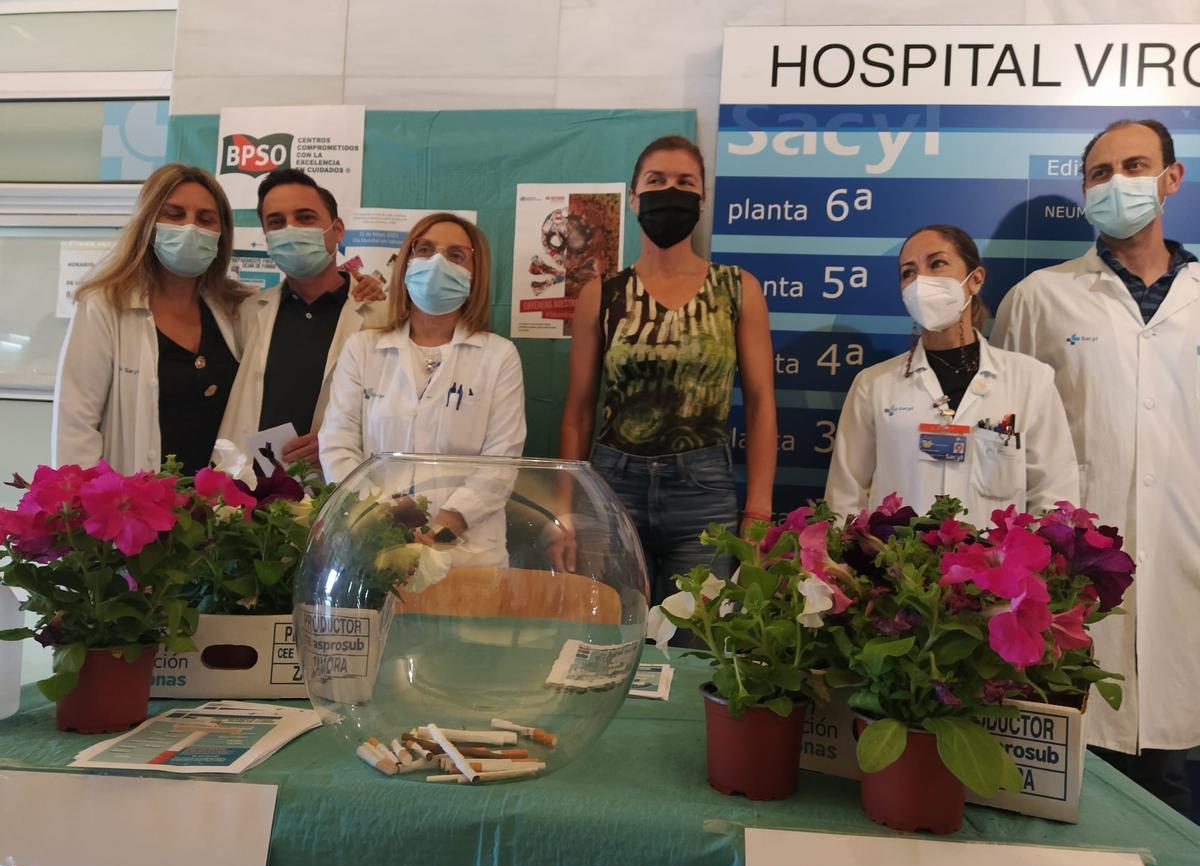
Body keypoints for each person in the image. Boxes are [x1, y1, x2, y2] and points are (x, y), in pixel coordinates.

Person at [992, 119, 1198, 815]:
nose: (1117, 183)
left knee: (1170, 795)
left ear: (1171, 178)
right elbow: (1005, 441)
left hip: (1183, 570)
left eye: (1135, 166)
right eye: (1101, 173)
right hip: (1071, 573)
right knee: (1061, 793)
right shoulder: (1038, 300)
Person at [559, 135, 777, 602]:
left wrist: (759, 510)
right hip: (613, 486)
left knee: (697, 635)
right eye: (656, 180)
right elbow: (578, 411)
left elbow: (761, 404)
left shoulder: (738, 289)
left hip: (703, 491)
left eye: (685, 182)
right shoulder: (602, 293)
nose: (670, 192)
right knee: (610, 628)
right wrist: (566, 508)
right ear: (633, 196)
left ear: (702, 198)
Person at [826, 225, 1078, 528]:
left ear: (975, 279)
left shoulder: (1030, 380)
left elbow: (1052, 494)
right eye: (908, 272)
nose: (921, 282)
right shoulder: (873, 385)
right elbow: (845, 496)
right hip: (897, 557)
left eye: (937, 264)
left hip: (994, 557)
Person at [320, 213, 526, 553]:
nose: (437, 263)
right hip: (375, 544)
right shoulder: (362, 348)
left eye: (456, 255)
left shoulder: (499, 356)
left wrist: (439, 530)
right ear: (406, 262)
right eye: (425, 250)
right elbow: (337, 445)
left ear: (476, 275)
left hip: (468, 550)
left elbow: (501, 462)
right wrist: (383, 521)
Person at [53, 163, 249, 475]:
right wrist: (86, 499)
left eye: (205, 219)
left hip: (217, 501)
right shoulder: (105, 305)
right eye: (174, 214)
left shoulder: (234, 309)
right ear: (148, 223)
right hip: (134, 497)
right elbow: (76, 424)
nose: (190, 227)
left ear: (221, 233)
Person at [218, 167, 386, 467]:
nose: (290, 230)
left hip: (339, 482)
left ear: (337, 230)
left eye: (305, 218)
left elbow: (402, 413)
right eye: (276, 222)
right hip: (253, 485)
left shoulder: (382, 316)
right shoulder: (246, 313)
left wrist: (341, 440)